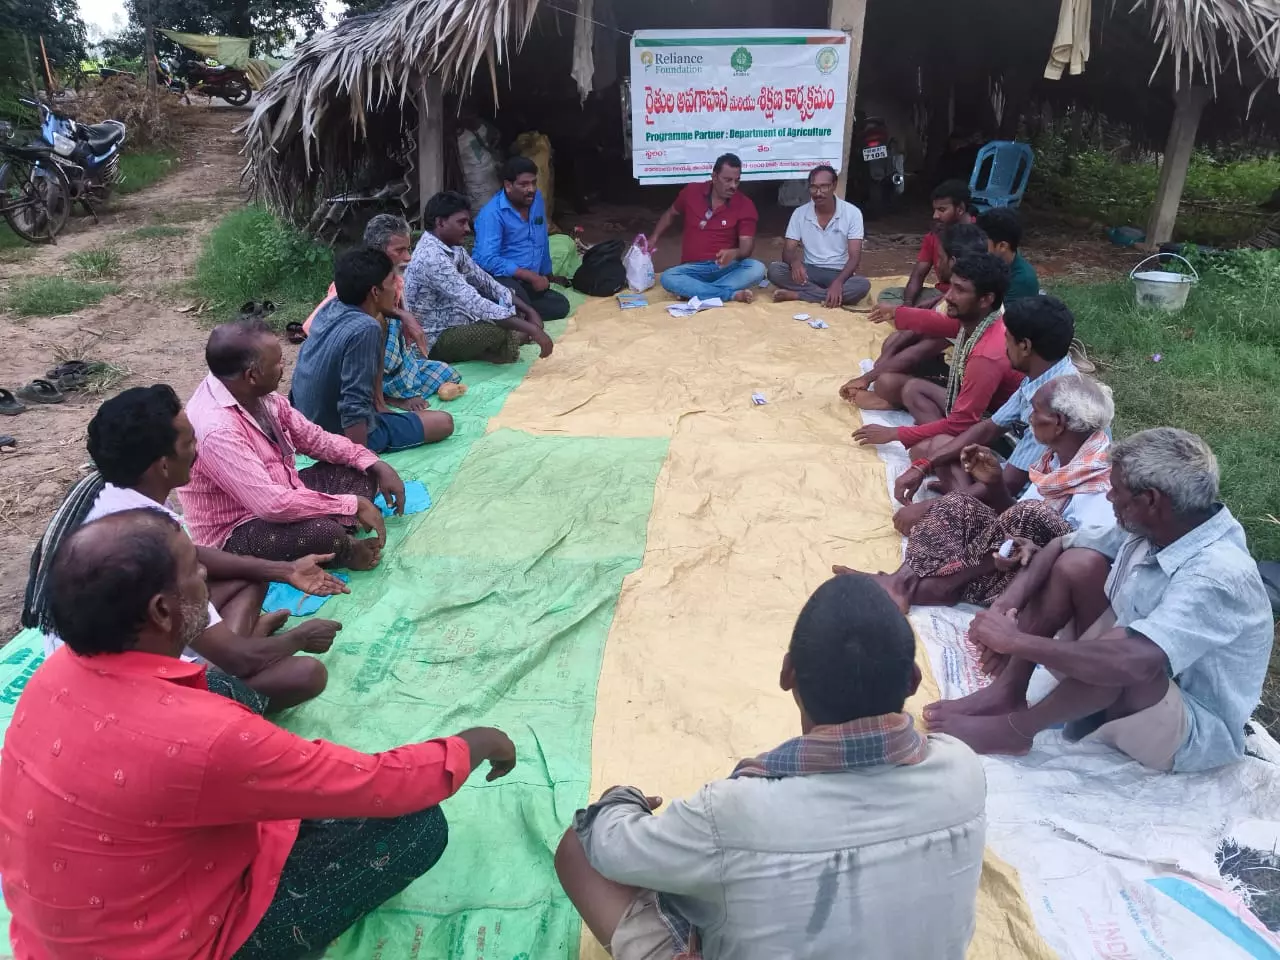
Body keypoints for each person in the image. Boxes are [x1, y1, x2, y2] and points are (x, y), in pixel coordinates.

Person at [0, 508, 520, 959]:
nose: (205, 574)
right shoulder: (205, 738)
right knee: (417, 827)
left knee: (226, 693)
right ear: (161, 611)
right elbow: (380, 784)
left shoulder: (53, 677)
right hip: (176, 943)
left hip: (60, 938)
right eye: (193, 570)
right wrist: (475, 743)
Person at [556, 574, 985, 959]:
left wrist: (620, 801)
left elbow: (610, 848)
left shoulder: (733, 813)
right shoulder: (963, 771)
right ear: (913, 679)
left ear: (787, 674)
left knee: (579, 847)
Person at [927, 428, 1274, 773]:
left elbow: (1133, 662)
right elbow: (1061, 544)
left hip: (1188, 728)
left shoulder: (1215, 574)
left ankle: (1017, 730)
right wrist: (1008, 602)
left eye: (1117, 490)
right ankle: (1009, 690)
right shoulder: (1166, 523)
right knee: (1078, 565)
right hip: (1132, 680)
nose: (1109, 498)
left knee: (1128, 653)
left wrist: (1015, 640)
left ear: (1151, 500)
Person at [21, 385, 344, 710]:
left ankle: (232, 648)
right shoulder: (143, 533)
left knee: (250, 575)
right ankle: (216, 668)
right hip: (123, 696)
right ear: (162, 466)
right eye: (189, 442)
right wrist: (300, 638)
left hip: (122, 640)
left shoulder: (105, 491)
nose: (197, 449)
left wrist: (284, 570)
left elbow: (195, 555)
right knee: (306, 674)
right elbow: (237, 656)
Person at [837, 376, 1114, 613]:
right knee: (961, 502)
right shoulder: (1057, 459)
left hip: (1034, 587)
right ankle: (901, 582)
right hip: (1004, 562)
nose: (1029, 418)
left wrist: (1021, 548)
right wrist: (994, 484)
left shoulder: (1100, 491)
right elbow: (1012, 517)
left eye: (1036, 411)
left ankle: (935, 587)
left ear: (1058, 423)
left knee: (1033, 513)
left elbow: (1076, 569)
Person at [181, 318, 408, 572]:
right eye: (277, 362)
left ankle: (334, 534)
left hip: (283, 492)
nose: (283, 366)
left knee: (359, 472)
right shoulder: (217, 429)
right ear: (252, 375)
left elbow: (315, 439)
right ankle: (343, 548)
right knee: (322, 533)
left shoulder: (259, 396)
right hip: (241, 527)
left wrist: (374, 462)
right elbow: (271, 505)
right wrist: (351, 504)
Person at [890, 295, 1079, 533]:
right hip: (1018, 472)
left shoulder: (1052, 407)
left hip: (1036, 502)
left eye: (1007, 338)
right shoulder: (1041, 375)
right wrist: (923, 466)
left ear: (1025, 346)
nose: (1003, 345)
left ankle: (967, 518)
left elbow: (1010, 483)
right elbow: (989, 427)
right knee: (936, 448)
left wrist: (933, 507)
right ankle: (962, 504)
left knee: (923, 523)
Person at [852, 252, 1022, 451]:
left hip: (997, 428)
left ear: (985, 299)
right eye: (951, 286)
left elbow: (962, 424)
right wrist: (897, 312)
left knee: (919, 453)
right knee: (913, 388)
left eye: (959, 290)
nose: (948, 296)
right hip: (973, 413)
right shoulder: (982, 320)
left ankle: (949, 452)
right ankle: (940, 441)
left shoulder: (986, 355)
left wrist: (894, 433)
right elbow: (935, 322)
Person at [293, 248, 455, 455]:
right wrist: (361, 460)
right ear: (375, 292)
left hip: (304, 422)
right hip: (335, 434)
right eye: (392, 282)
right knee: (443, 422)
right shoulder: (365, 329)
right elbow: (353, 405)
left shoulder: (332, 306)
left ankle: (380, 406)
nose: (396, 287)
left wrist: (403, 315)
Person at [303, 214, 464, 406]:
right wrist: (400, 316)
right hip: (358, 364)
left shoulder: (394, 279)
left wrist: (404, 315)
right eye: (400, 250)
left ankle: (397, 385)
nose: (408, 257)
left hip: (392, 364)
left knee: (446, 372)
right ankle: (384, 397)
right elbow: (312, 327)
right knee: (381, 323)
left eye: (408, 248)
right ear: (378, 250)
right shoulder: (353, 282)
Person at [841, 222, 990, 412]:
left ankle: (896, 402)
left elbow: (921, 349)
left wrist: (869, 377)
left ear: (952, 261)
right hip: (944, 360)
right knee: (894, 343)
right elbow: (926, 319)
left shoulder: (968, 308)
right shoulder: (960, 291)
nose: (938, 262)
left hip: (961, 381)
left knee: (886, 382)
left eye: (940, 257)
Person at [404, 190, 553, 364]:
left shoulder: (453, 248)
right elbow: (474, 302)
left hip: (459, 318)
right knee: (495, 331)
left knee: (505, 308)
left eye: (467, 222)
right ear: (440, 222)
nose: (467, 229)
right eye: (461, 222)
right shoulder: (431, 257)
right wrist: (533, 330)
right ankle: (510, 342)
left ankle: (501, 344)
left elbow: (485, 281)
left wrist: (529, 310)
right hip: (434, 337)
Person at [651, 153, 766, 304]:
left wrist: (735, 252)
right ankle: (728, 295)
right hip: (693, 269)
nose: (733, 186)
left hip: (725, 269)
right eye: (728, 180)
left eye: (737, 181)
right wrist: (653, 238)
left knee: (757, 268)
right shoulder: (692, 192)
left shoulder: (745, 204)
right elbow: (671, 213)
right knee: (668, 277)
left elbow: (746, 247)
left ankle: (697, 291)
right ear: (714, 176)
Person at [472, 156, 571, 322]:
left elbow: (541, 239)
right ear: (508, 186)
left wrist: (547, 275)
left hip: (525, 281)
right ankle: (513, 311)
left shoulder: (536, 199)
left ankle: (515, 311)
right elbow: (486, 259)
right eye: (524, 184)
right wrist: (530, 276)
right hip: (501, 278)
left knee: (560, 306)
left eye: (533, 182)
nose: (531, 189)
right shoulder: (492, 214)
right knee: (518, 298)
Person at [767, 164, 870, 307]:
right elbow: (788, 251)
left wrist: (838, 283)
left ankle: (799, 295)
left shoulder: (852, 213)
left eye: (824, 186)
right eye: (813, 187)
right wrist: (795, 262)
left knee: (862, 285)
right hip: (809, 272)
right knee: (774, 270)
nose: (818, 192)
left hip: (838, 273)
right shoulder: (800, 213)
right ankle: (825, 295)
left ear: (834, 186)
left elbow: (854, 257)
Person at [879, 180, 976, 307]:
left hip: (968, 298)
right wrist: (907, 306)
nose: (935, 216)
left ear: (960, 209)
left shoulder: (981, 235)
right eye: (935, 210)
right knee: (889, 295)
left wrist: (935, 303)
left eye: (942, 210)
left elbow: (969, 283)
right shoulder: (934, 235)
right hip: (940, 294)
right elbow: (918, 275)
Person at [979, 207, 1039, 301]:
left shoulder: (1022, 281)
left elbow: (1001, 315)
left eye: (982, 242)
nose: (976, 246)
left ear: (1002, 246)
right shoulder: (989, 262)